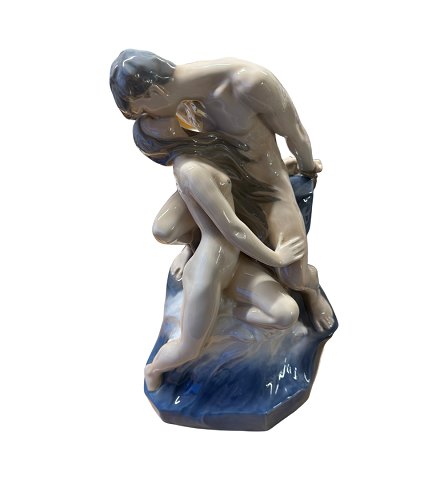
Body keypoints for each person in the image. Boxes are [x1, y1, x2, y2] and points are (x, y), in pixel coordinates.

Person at [110, 50, 335, 334]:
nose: (144, 119)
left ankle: (311, 292)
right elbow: (189, 151)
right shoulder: (174, 108)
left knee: (293, 275)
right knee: (164, 230)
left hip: (267, 188)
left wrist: (306, 169)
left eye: (142, 110)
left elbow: (295, 132)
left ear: (154, 92)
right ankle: (197, 246)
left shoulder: (249, 82)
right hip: (217, 182)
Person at [132, 115, 305, 391]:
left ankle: (235, 313)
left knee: (286, 313)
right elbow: (232, 228)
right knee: (189, 348)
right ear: (159, 142)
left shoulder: (204, 148)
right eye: (158, 125)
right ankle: (153, 370)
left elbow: (238, 181)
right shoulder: (190, 169)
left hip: (234, 265)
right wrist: (277, 258)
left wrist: (283, 170)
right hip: (208, 271)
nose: (168, 119)